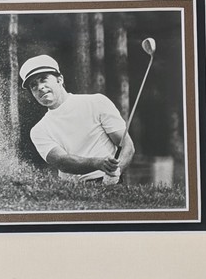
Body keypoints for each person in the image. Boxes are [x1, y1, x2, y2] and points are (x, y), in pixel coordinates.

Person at [20, 54, 134, 183]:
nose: (40, 87)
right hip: (72, 189)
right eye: (33, 85)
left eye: (44, 79)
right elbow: (61, 161)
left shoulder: (97, 102)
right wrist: (97, 163)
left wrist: (115, 173)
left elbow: (126, 145)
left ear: (60, 80)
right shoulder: (38, 130)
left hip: (110, 181)